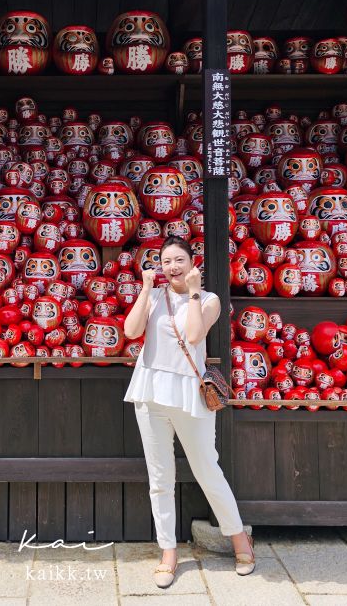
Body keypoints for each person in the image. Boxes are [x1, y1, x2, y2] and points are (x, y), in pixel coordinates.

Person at [122, 235, 254, 587]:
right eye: (166, 261)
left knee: (207, 469)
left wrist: (194, 293)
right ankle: (168, 550)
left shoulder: (208, 299)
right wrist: (144, 290)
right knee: (159, 477)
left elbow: (195, 335)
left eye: (179, 260)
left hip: (188, 394)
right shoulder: (153, 297)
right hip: (150, 392)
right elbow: (131, 331)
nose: (173, 267)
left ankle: (239, 537)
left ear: (192, 263)